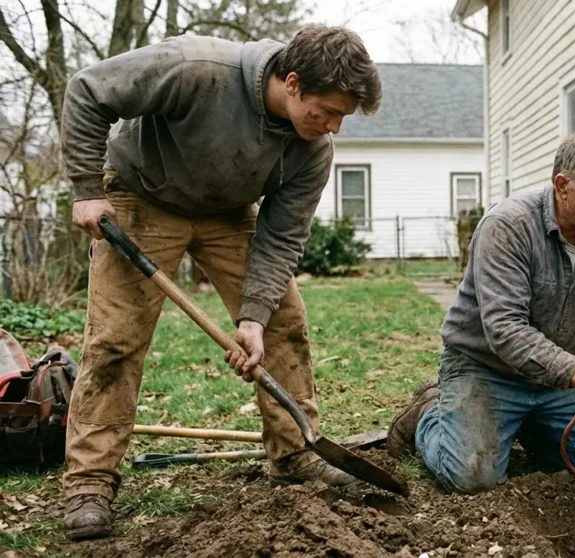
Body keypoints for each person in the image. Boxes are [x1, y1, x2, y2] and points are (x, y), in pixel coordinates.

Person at [59, 25, 381, 540]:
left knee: (283, 324)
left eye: (342, 116)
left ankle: (294, 454)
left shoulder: (313, 148)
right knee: (115, 340)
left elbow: (281, 237)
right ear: (293, 83)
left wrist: (253, 318)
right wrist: (85, 188)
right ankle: (90, 482)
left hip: (229, 213)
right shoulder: (197, 68)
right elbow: (88, 89)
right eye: (328, 111)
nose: (334, 128)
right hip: (142, 195)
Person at [386, 132, 575, 494]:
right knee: (472, 479)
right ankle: (429, 416)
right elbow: (505, 329)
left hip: (557, 381)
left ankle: (525, 424)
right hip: (486, 369)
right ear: (563, 186)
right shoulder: (508, 227)